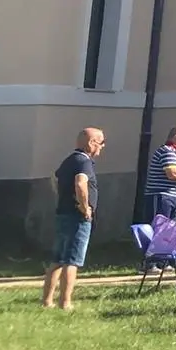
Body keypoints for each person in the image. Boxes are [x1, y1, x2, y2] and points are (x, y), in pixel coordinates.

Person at [43, 127, 103, 310]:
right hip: (77, 217)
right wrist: (84, 208)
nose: (102, 147)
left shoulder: (69, 160)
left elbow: (54, 178)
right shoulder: (84, 162)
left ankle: (46, 301)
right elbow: (80, 183)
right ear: (91, 143)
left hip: (63, 213)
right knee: (72, 260)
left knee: (58, 259)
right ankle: (65, 302)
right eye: (101, 143)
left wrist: (62, 197)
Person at [144, 124, 176, 223]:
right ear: (175, 137)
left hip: (175, 196)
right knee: (159, 227)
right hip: (162, 195)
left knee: (170, 229)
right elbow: (173, 174)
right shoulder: (167, 151)